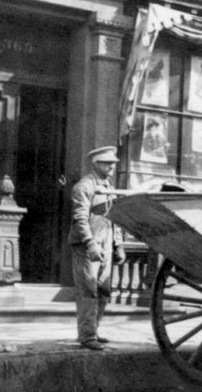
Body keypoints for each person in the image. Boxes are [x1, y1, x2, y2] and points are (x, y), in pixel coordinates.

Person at [68, 145, 125, 350]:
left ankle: (94, 330)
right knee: (88, 290)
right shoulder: (84, 186)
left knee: (103, 289)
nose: (112, 166)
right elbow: (80, 219)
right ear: (96, 163)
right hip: (87, 246)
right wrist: (90, 244)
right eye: (107, 163)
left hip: (106, 243)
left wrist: (118, 244)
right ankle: (86, 336)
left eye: (113, 163)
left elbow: (114, 216)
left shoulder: (109, 185)